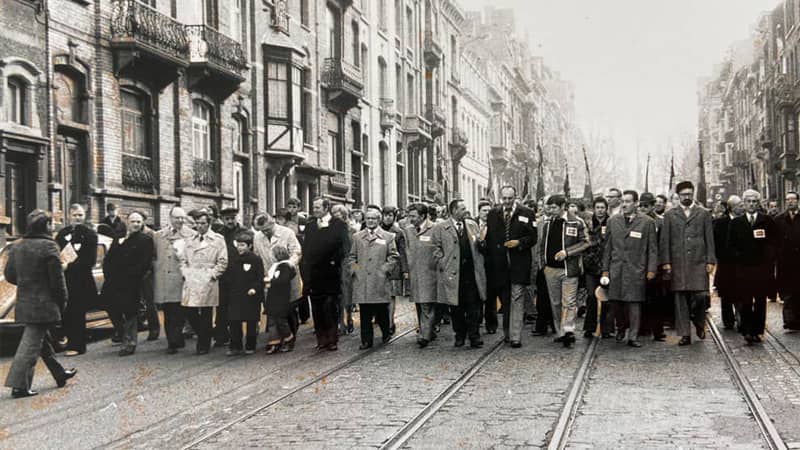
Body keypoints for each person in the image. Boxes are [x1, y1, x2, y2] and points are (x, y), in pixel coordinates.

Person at [4, 210, 77, 398]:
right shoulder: (49, 246)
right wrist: (63, 301)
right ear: (46, 226)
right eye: (51, 223)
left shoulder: (17, 245)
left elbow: (10, 275)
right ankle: (19, 386)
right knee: (30, 345)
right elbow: (57, 282)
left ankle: (59, 374)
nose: (53, 227)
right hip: (44, 304)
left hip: (25, 302)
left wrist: (27, 283)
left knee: (41, 340)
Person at [480, 186, 538, 347]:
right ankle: (508, 333)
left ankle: (515, 337)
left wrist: (519, 242)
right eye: (504, 198)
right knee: (506, 301)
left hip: (519, 263)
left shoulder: (526, 213)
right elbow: (490, 238)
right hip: (500, 266)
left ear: (515, 197)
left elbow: (533, 237)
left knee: (517, 297)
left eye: (509, 199)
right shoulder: (493, 214)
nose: (506, 202)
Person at [660, 182, 716, 346]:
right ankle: (685, 333)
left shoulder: (703, 213)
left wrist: (710, 260)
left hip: (698, 262)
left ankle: (699, 323)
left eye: (689, 194)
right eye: (683, 194)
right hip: (678, 263)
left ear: (693, 194)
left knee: (700, 296)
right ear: (678, 196)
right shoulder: (670, 215)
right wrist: (666, 262)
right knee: (680, 298)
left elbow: (709, 238)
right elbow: (665, 241)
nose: (687, 197)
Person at [602, 190, 658, 348]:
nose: (625, 205)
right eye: (623, 202)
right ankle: (620, 327)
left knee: (634, 303)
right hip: (616, 269)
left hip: (636, 270)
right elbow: (607, 248)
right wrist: (605, 270)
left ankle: (633, 336)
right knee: (616, 303)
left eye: (628, 201)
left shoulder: (647, 223)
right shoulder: (613, 221)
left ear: (636, 203)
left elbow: (652, 249)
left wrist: (651, 269)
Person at [432, 199, 487, 348]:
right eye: (462, 208)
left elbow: (479, 243)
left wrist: (482, 245)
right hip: (453, 275)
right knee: (456, 308)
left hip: (471, 273)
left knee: (473, 307)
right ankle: (459, 335)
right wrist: (443, 262)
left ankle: (474, 336)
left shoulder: (472, 225)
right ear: (454, 210)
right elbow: (435, 249)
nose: (465, 211)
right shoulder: (441, 228)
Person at [538, 194, 589, 348]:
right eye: (549, 207)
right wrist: (543, 265)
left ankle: (568, 330)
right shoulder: (547, 223)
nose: (550, 210)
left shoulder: (576, 222)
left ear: (562, 207)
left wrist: (567, 252)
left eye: (554, 207)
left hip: (569, 269)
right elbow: (542, 245)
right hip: (551, 269)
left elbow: (585, 242)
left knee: (569, 301)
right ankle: (561, 331)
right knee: (555, 302)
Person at [102, 211, 154, 356]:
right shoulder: (119, 237)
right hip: (113, 281)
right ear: (127, 222)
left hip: (131, 282)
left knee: (130, 311)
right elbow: (109, 258)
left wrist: (131, 276)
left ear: (142, 223)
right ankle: (121, 333)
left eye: (138, 222)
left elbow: (144, 263)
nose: (136, 224)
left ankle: (130, 342)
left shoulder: (145, 240)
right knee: (110, 306)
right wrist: (108, 274)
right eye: (133, 221)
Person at [727, 189, 777, 344]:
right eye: (748, 201)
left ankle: (758, 330)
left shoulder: (767, 221)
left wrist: (768, 261)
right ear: (744, 203)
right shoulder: (736, 223)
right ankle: (747, 330)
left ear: (758, 203)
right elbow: (730, 245)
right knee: (745, 300)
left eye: (754, 201)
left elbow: (773, 243)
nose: (751, 204)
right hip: (743, 269)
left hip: (761, 269)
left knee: (761, 300)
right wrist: (739, 258)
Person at [301, 198, 350, 351]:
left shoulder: (339, 225)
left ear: (326, 208)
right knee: (316, 307)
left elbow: (345, 246)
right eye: (313, 207)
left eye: (317, 207)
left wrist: (334, 261)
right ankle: (321, 339)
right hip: (314, 273)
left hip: (331, 273)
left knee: (330, 306)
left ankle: (332, 338)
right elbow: (306, 249)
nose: (314, 210)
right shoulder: (310, 226)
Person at [348, 206, 400, 349]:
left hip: (380, 280)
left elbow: (394, 256)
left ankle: (385, 332)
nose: (370, 221)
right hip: (363, 281)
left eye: (374, 218)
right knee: (365, 313)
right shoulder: (357, 237)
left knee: (382, 310)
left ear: (379, 220)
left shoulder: (388, 237)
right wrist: (356, 271)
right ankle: (366, 340)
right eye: (368, 218)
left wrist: (385, 270)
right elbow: (352, 257)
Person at [180, 211, 228, 354]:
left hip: (208, 279)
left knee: (206, 312)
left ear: (209, 224)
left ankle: (203, 345)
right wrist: (185, 272)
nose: (199, 226)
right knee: (190, 311)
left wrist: (213, 275)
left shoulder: (218, 239)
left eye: (203, 223)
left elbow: (223, 261)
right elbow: (183, 260)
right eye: (197, 223)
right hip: (192, 278)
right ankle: (206, 334)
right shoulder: (190, 239)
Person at [252, 212, 303, 347]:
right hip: (269, 278)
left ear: (273, 223)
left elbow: (296, 252)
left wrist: (287, 266)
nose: (265, 233)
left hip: (286, 277)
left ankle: (291, 337)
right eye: (262, 231)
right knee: (273, 309)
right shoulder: (258, 237)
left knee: (289, 308)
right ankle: (276, 338)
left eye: (267, 230)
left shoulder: (287, 233)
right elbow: (257, 257)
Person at [54, 204, 98, 356]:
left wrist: (69, 266)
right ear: (69, 216)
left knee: (77, 313)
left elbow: (89, 260)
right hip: (65, 279)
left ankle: (78, 346)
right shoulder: (62, 234)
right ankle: (68, 340)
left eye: (80, 215)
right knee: (66, 312)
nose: (77, 218)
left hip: (81, 280)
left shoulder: (90, 234)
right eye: (75, 215)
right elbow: (56, 252)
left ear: (84, 216)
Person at [153, 206, 196, 354]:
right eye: (177, 218)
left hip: (180, 279)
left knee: (179, 311)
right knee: (168, 311)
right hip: (163, 279)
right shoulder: (158, 235)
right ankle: (173, 340)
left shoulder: (191, 235)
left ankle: (175, 340)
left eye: (183, 218)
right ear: (170, 218)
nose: (180, 221)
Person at [403, 203, 439, 347]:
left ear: (423, 216)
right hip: (415, 273)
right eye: (409, 216)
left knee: (427, 304)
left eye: (413, 216)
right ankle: (429, 330)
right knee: (419, 303)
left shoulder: (435, 228)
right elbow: (406, 251)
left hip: (430, 272)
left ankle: (424, 335)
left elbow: (439, 248)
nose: (410, 219)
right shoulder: (408, 230)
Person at [226, 230, 264, 356]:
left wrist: (255, 288)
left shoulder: (256, 260)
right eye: (238, 245)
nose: (239, 248)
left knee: (251, 321)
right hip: (236, 294)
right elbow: (229, 276)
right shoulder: (233, 259)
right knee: (234, 321)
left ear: (250, 246)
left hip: (250, 296)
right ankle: (235, 345)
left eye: (243, 245)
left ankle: (250, 344)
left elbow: (259, 278)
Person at [638, 193, 668, 342]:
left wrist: (661, 265)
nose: (643, 208)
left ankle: (658, 330)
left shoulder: (660, 222)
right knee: (640, 297)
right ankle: (642, 327)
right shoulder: (636, 221)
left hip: (655, 265)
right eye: (641, 205)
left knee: (656, 299)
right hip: (639, 265)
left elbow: (662, 245)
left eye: (646, 206)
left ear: (652, 206)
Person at [583, 197, 614, 338]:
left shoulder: (612, 222)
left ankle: (606, 328)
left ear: (606, 209)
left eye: (602, 207)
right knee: (590, 296)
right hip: (591, 266)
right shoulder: (587, 224)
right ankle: (589, 327)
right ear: (593, 209)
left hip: (607, 266)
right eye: (598, 207)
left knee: (606, 298)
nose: (600, 210)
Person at [214, 207, 243, 347]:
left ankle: (236, 336)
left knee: (237, 307)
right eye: (227, 219)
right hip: (223, 276)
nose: (231, 221)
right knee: (221, 307)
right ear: (223, 220)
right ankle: (220, 336)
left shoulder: (244, 233)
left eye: (233, 218)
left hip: (239, 276)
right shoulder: (218, 234)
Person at [713, 195, 743, 330]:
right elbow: (716, 243)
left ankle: (741, 317)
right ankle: (728, 320)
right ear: (731, 207)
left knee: (741, 292)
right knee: (726, 294)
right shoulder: (720, 223)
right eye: (738, 205)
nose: (741, 208)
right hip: (726, 264)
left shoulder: (744, 221)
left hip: (741, 264)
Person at [265, 245, 300, 353]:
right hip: (272, 298)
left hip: (280, 298)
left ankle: (288, 339)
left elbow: (282, 280)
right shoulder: (276, 266)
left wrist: (270, 282)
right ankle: (274, 342)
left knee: (281, 321)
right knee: (272, 321)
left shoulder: (285, 267)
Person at [380, 206, 408, 336]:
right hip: (378, 268)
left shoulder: (398, 232)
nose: (387, 218)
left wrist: (405, 270)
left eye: (390, 215)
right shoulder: (377, 230)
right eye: (385, 215)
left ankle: (390, 322)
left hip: (394, 269)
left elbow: (402, 252)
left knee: (391, 296)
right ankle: (383, 321)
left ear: (394, 217)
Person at [775, 192, 800, 330]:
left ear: (797, 201)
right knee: (787, 292)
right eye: (788, 199)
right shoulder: (779, 220)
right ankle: (789, 320)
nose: (790, 202)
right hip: (785, 262)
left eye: (793, 199)